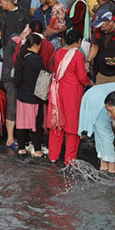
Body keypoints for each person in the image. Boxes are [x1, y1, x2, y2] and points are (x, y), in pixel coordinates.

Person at [47, 29, 90, 164]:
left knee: (57, 123)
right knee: (72, 126)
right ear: (78, 42)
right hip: (72, 93)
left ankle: (53, 156)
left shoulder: (59, 52)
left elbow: (54, 68)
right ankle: (69, 159)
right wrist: (89, 82)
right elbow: (82, 77)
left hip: (57, 91)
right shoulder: (77, 55)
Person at [79, 82, 115, 174]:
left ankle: (103, 163)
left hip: (90, 96)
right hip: (100, 101)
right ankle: (112, 165)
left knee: (99, 132)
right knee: (106, 133)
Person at [14, 34, 47, 157]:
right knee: (36, 125)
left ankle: (21, 148)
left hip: (21, 96)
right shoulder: (35, 59)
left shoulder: (22, 57)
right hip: (33, 97)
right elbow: (44, 75)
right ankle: (37, 150)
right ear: (35, 45)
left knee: (21, 123)